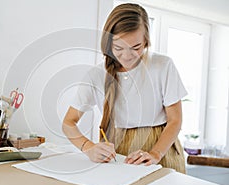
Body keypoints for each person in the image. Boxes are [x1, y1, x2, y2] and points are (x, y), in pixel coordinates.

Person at [62, 3, 187, 173]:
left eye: (136, 47)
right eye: (118, 48)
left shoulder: (163, 66)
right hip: (118, 152)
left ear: (146, 41)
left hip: (162, 149)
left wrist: (155, 153)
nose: (127, 56)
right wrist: (88, 147)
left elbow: (175, 120)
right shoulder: (96, 75)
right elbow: (68, 123)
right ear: (108, 43)